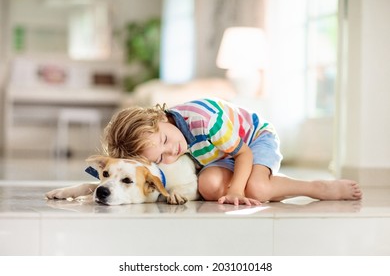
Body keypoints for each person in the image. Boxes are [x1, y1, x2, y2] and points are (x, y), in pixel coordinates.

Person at [103, 98, 362, 206]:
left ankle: (317, 188)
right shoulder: (167, 134)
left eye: (165, 140)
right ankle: (250, 186)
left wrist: (237, 190)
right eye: (160, 157)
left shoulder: (205, 121)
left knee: (256, 189)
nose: (172, 151)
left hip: (254, 140)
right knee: (209, 186)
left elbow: (244, 154)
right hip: (223, 156)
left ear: (159, 116)